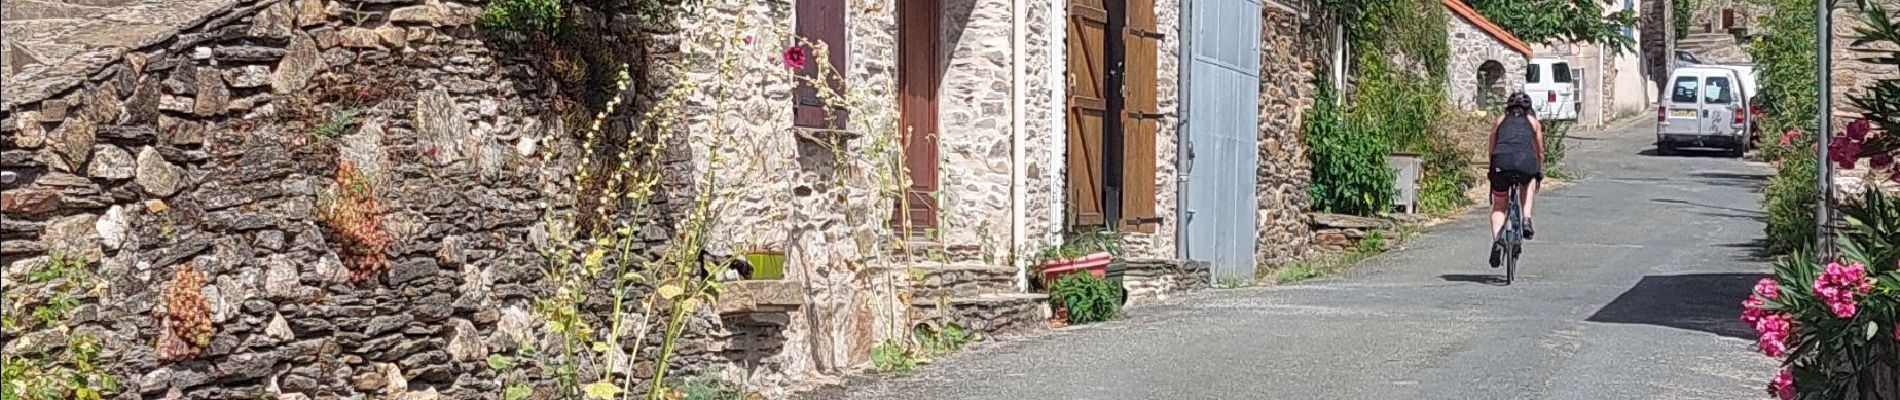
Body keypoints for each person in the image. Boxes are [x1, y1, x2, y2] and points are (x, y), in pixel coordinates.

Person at [1488, 92, 1545, 267]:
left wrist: (1493, 166)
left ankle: (1498, 239)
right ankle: (1526, 218)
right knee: (1529, 180)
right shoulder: (1533, 122)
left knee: (1499, 206)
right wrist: (1538, 169)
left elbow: (1492, 146)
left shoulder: (1499, 121)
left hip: (1501, 162)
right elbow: (1539, 151)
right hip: (1525, 162)